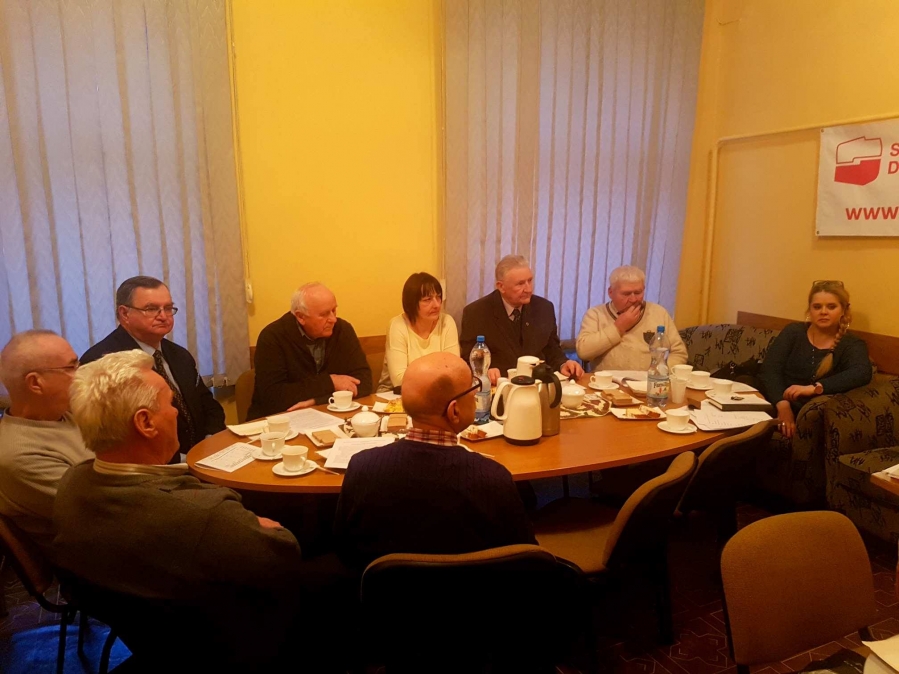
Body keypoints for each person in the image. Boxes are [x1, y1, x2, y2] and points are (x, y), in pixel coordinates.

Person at [52, 350, 310, 671]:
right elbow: (285, 554)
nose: (176, 412)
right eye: (170, 403)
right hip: (229, 646)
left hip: (150, 641)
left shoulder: (71, 484)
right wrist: (257, 524)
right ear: (145, 422)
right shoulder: (201, 514)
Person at [333, 352, 536, 570]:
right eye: (472, 387)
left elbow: (343, 550)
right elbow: (527, 558)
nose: (476, 392)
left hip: (382, 591)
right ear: (454, 411)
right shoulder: (492, 479)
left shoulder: (362, 468)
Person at [80, 276, 225, 461]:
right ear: (124, 313)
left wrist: (210, 443)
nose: (163, 316)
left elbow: (208, 406)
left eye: (168, 308)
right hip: (152, 468)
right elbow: (117, 438)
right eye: (151, 309)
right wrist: (185, 462)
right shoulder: (103, 363)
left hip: (203, 457)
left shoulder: (180, 355)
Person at [0, 331, 93, 555]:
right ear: (36, 383)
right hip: (93, 558)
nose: (82, 374)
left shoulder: (67, 413)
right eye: (71, 367)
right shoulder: (19, 456)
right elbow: (103, 511)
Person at [760, 280, 872, 439]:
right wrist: (783, 406)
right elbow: (770, 370)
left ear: (843, 310)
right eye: (817, 307)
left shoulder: (851, 344)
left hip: (808, 412)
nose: (823, 312)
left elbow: (861, 372)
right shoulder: (793, 332)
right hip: (775, 400)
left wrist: (815, 388)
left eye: (831, 307)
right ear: (810, 310)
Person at [248, 282, 372, 418]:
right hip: (276, 421)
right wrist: (330, 382)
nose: (333, 319)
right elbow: (273, 398)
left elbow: (364, 383)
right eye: (324, 314)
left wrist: (317, 401)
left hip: (328, 416)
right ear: (301, 317)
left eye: (334, 310)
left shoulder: (343, 330)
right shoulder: (273, 337)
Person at [459, 255, 583, 384]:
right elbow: (469, 359)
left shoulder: (544, 308)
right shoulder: (476, 313)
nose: (528, 289)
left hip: (537, 385)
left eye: (530, 281)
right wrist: (485, 371)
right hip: (499, 387)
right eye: (520, 284)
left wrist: (564, 364)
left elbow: (552, 350)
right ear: (501, 286)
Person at [576, 265, 688, 371]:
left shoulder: (659, 313)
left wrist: (658, 371)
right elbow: (584, 352)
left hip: (648, 381)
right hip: (606, 382)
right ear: (610, 292)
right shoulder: (595, 314)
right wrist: (618, 328)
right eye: (626, 294)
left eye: (638, 292)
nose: (633, 299)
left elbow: (679, 353)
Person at [378, 272, 460, 392]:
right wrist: (440, 374)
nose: (436, 305)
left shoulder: (447, 322)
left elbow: (455, 370)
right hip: (395, 395)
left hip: (439, 392)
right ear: (412, 303)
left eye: (438, 297)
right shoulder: (398, 325)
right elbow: (399, 380)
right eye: (427, 299)